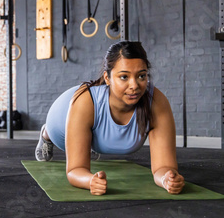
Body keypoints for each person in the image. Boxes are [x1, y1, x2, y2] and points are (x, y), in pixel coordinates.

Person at [35, 40, 185, 195]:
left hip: (91, 123)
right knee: (57, 135)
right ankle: (45, 134)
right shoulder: (85, 102)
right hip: (62, 117)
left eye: (141, 76)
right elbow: (74, 170)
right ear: (107, 78)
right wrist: (90, 181)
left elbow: (163, 167)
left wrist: (167, 179)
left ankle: (89, 143)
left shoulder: (156, 103)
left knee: (90, 141)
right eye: (124, 77)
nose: (134, 85)